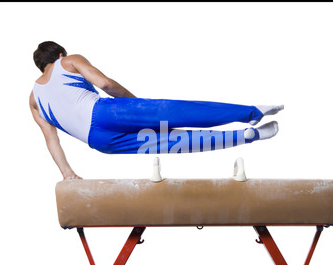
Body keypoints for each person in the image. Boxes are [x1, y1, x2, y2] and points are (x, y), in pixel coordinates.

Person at [30, 41, 283, 180]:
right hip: (107, 113)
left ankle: (249, 136)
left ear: (40, 67)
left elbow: (51, 140)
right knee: (178, 112)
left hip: (99, 142)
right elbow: (105, 84)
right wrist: (134, 105)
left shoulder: (33, 99)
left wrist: (68, 175)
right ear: (60, 53)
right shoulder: (69, 60)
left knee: (173, 141)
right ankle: (252, 112)